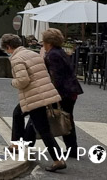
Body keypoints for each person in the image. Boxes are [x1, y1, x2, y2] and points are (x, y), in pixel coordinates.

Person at [1, 33, 66, 172]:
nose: (7, 52)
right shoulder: (33, 54)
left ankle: (58, 160)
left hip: (34, 97)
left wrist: (13, 82)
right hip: (41, 93)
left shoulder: (16, 58)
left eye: (6, 49)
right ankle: (16, 145)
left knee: (43, 130)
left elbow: (23, 80)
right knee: (17, 113)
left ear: (8, 47)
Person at [24, 29, 82, 158]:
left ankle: (25, 145)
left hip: (63, 92)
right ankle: (72, 149)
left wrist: (49, 94)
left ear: (48, 42)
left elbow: (55, 77)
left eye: (43, 41)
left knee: (37, 116)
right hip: (70, 91)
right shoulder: (60, 52)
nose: (42, 43)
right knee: (66, 118)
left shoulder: (53, 55)